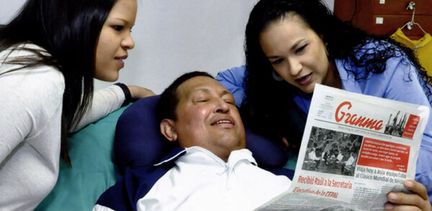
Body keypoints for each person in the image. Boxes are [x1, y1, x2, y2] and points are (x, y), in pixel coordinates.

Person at [94, 71, 431, 211]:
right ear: (170, 130)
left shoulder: (295, 182)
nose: (223, 104)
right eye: (202, 99)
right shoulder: (139, 185)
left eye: (228, 98)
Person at [216, 0, 432, 198]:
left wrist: (356, 156)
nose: (294, 69)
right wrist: (264, 114)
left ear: (323, 35)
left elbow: (429, 159)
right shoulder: (277, 80)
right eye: (278, 61)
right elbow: (223, 82)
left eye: (300, 49)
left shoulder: (383, 65)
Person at [0, 0, 154, 209]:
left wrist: (127, 91)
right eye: (118, 27)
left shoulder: (32, 64)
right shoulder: (35, 79)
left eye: (130, 30)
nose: (130, 42)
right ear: (75, 18)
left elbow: (66, 116)